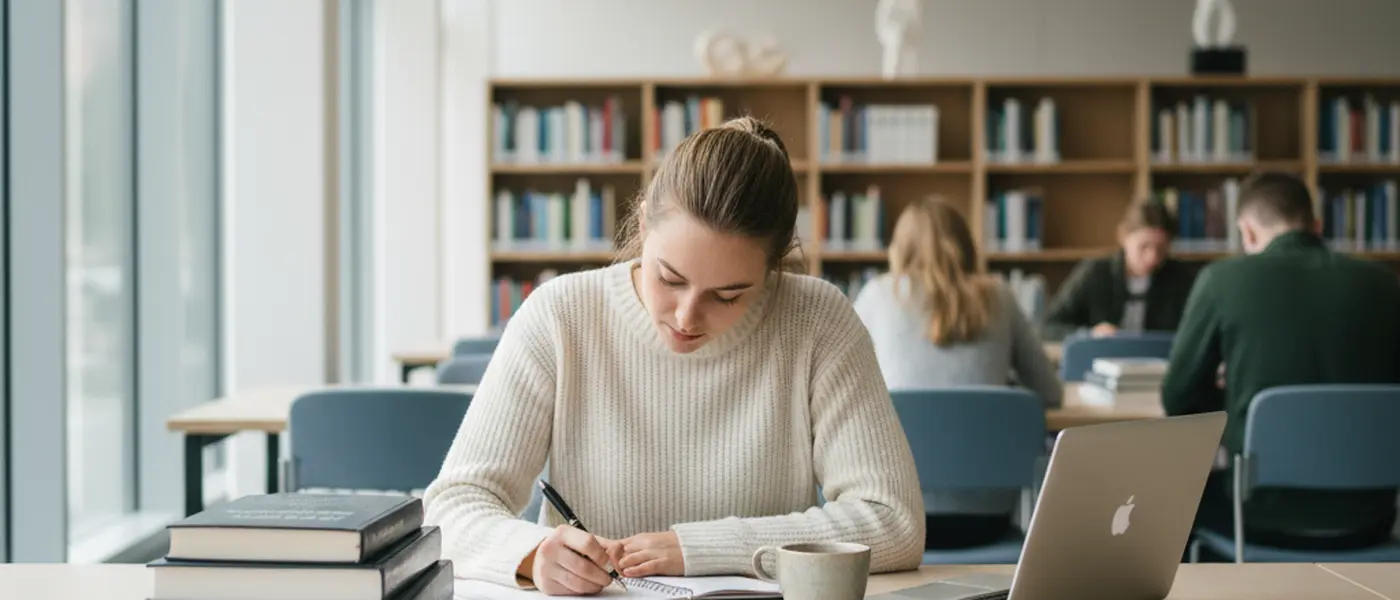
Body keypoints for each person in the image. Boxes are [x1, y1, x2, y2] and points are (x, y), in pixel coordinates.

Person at [423, 117, 924, 595]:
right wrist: (532, 553)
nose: (686, 317)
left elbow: (893, 520)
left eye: (727, 296)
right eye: (670, 278)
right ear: (642, 224)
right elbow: (450, 507)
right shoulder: (561, 315)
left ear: (775, 269)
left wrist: (697, 548)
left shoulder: (816, 320)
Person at [1161, 171, 1400, 551]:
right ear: (1316, 226)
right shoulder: (1386, 284)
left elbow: (1178, 397)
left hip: (1260, 519)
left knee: (1172, 501)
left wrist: (1238, 402)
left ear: (1248, 232)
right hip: (1371, 519)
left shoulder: (1222, 280)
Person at [852, 197, 1062, 549]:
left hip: (897, 516)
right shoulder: (1000, 296)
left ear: (899, 247)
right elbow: (1050, 393)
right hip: (987, 517)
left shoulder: (877, 294)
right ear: (966, 244)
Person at [1040, 199, 1197, 341]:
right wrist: (1090, 334)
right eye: (1144, 247)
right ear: (1124, 236)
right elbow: (1050, 327)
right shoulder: (1096, 272)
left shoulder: (1180, 277)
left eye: (1161, 249)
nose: (1153, 257)